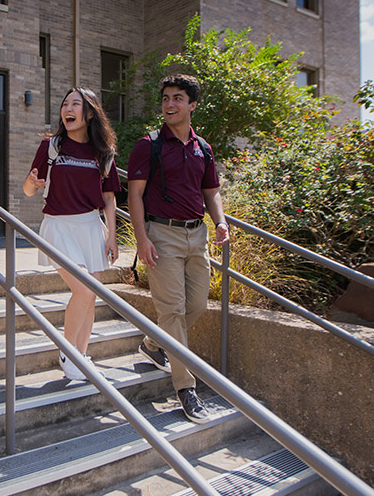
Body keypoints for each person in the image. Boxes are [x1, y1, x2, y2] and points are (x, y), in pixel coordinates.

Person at [126, 74, 230, 424]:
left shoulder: (203, 148)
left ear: (192, 105)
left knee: (197, 304)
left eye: (178, 98)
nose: (170, 104)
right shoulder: (149, 145)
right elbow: (135, 195)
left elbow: (211, 191)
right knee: (172, 310)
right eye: (166, 98)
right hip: (161, 234)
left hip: (196, 235)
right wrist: (142, 239)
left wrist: (220, 221)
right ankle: (187, 389)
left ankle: (153, 344)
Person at [23, 87, 120, 380]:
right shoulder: (51, 147)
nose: (68, 108)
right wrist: (31, 182)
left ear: (89, 112)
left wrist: (112, 236)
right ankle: (68, 350)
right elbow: (28, 191)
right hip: (58, 226)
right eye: (65, 103)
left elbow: (109, 198)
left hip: (91, 226)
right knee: (84, 288)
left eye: (75, 104)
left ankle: (81, 355)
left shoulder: (103, 153)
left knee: (91, 295)